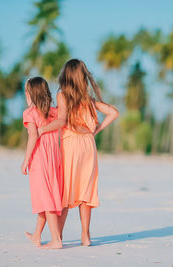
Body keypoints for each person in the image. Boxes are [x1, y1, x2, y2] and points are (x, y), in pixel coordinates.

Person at [37, 59, 119, 246]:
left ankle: (58, 237)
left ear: (66, 76)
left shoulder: (62, 95)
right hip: (88, 145)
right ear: (83, 77)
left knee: (66, 192)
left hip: (71, 145)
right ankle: (85, 236)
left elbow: (63, 119)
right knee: (86, 191)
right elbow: (114, 112)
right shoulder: (88, 100)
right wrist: (95, 130)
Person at [21, 77, 63, 249]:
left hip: (40, 159)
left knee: (46, 199)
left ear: (30, 95)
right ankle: (37, 236)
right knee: (46, 196)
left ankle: (56, 240)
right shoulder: (55, 112)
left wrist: (25, 160)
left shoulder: (30, 113)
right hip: (55, 158)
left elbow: (33, 136)